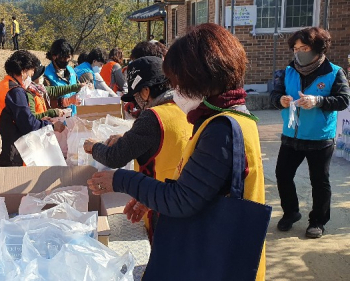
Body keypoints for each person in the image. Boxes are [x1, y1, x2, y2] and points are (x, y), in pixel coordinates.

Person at [87, 23, 267, 280]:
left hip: (213, 262)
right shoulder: (236, 118)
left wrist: (120, 180)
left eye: (178, 82)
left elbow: (182, 200)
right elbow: (198, 188)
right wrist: (150, 197)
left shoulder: (221, 130)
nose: (176, 91)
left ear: (199, 77)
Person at [83, 56, 192, 241]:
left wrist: (93, 147)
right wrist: (126, 138)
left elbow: (114, 158)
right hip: (185, 201)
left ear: (146, 91)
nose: (136, 102)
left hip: (159, 205)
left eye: (137, 96)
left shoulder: (152, 117)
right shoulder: (186, 109)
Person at [270, 27, 350, 238]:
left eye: (304, 47)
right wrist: (280, 100)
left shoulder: (334, 72)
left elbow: (343, 101)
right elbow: (274, 95)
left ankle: (318, 221)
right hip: (291, 136)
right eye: (295, 48)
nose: (299, 52)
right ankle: (291, 212)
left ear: (317, 48)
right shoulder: (287, 71)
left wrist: (318, 101)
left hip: (320, 137)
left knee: (319, 180)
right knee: (283, 174)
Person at [0, 50, 65, 166]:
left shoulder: (1, 86)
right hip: (7, 151)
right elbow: (27, 123)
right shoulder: (15, 91)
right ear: (23, 71)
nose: (31, 80)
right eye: (31, 75)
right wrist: (51, 126)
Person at [43, 39, 80, 113]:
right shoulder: (46, 75)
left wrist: (85, 88)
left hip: (73, 116)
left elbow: (77, 87)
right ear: (54, 56)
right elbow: (45, 102)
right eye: (63, 57)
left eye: (68, 57)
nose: (66, 60)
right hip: (58, 120)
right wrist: (66, 101)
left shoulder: (71, 70)